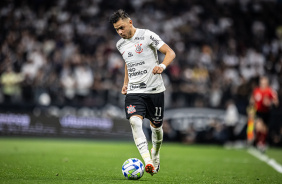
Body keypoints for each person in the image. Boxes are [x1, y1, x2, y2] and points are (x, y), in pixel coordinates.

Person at [109, 9, 176, 175]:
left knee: (157, 128)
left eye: (122, 27)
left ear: (130, 22)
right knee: (135, 122)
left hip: (155, 90)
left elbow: (170, 52)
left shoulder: (147, 35)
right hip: (134, 91)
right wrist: (126, 83)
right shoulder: (120, 44)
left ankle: (155, 153)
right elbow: (128, 62)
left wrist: (162, 66)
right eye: (117, 29)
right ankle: (147, 161)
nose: (120, 32)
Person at [250, 76, 279, 152]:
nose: (263, 84)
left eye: (264, 83)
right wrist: (252, 105)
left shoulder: (270, 91)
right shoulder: (257, 90)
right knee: (258, 126)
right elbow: (252, 100)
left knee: (264, 129)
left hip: (267, 112)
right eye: (262, 82)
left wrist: (270, 103)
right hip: (259, 112)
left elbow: (276, 102)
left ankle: (262, 143)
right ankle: (259, 142)